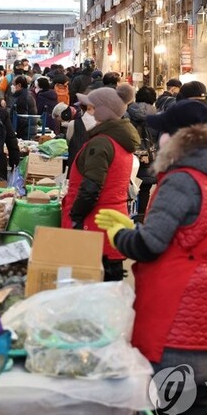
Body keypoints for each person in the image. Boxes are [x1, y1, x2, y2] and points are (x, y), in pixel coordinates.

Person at [95, 99, 207, 415]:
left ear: (181, 138)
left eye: (163, 133)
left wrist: (121, 235)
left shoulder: (182, 180)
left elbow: (151, 245)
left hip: (176, 304)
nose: (158, 138)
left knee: (168, 406)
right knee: (196, 401)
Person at [62, 88, 139, 281]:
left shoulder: (102, 143)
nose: (89, 112)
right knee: (109, 287)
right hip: (111, 222)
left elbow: (91, 187)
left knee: (91, 288)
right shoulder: (120, 140)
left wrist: (75, 216)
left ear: (103, 112)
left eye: (91, 107)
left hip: (94, 223)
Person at [127, 85, 159, 221]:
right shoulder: (158, 117)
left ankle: (128, 216)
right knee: (144, 190)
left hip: (130, 159)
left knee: (128, 189)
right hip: (149, 161)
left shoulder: (127, 114)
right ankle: (140, 218)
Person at [12, 75, 37, 139]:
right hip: (30, 129)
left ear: (19, 85)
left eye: (14, 85)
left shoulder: (22, 98)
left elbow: (22, 118)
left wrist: (14, 130)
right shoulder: (29, 94)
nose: (12, 87)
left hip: (25, 132)